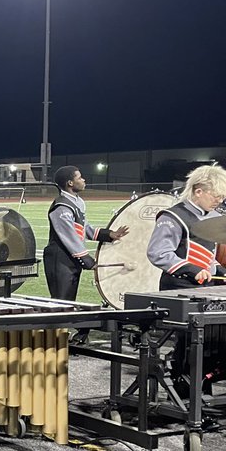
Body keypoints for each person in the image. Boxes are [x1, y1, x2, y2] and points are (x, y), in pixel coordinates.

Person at [147, 163, 226, 394]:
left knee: (211, 342)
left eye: (222, 197)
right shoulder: (174, 217)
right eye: (216, 195)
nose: (219, 201)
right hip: (179, 287)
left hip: (205, 288)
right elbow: (158, 253)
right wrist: (191, 269)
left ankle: (203, 384)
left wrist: (219, 271)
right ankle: (185, 387)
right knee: (190, 342)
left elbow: (208, 257)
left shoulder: (213, 218)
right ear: (198, 191)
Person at [43, 167, 127, 345]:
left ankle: (68, 336)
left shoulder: (77, 202)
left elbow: (84, 228)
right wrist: (87, 260)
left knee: (68, 299)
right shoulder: (61, 207)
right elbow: (69, 237)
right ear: (70, 183)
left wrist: (109, 234)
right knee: (61, 301)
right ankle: (56, 341)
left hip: (70, 257)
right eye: (79, 177)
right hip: (59, 257)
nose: (84, 180)